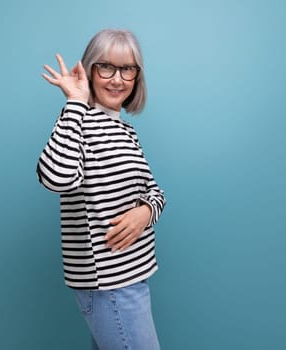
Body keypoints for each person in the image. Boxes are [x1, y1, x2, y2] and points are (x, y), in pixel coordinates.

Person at [37, 28, 166, 350]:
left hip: (133, 275)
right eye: (106, 67)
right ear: (90, 70)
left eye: (127, 69)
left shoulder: (124, 130)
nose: (117, 79)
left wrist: (145, 212)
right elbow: (56, 179)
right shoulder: (78, 120)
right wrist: (76, 101)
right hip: (109, 285)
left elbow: (154, 190)